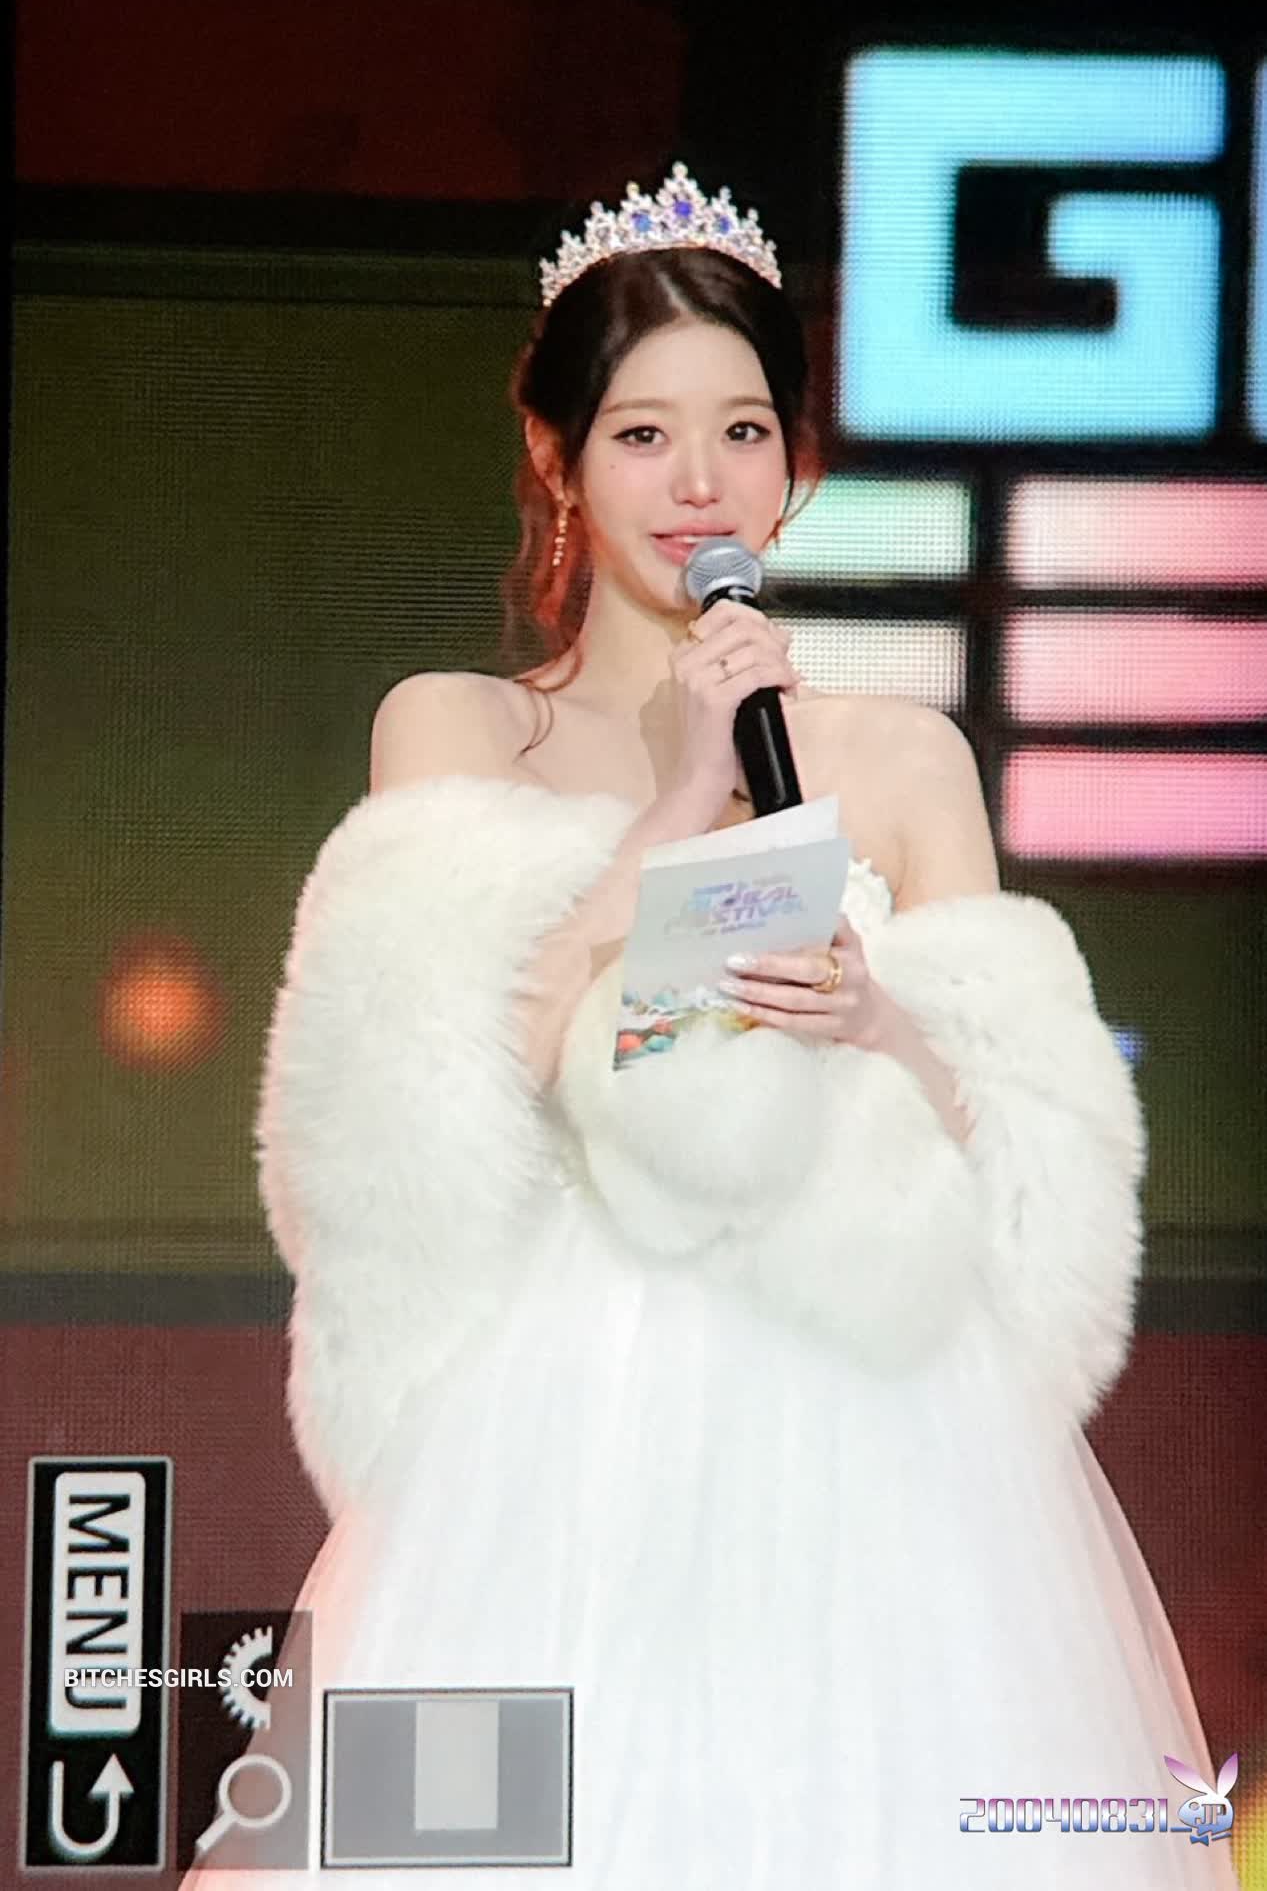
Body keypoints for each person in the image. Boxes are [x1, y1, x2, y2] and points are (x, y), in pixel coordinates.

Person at [183, 166, 1242, 1887]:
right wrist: (678, 807)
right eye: (643, 436)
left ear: (791, 460)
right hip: (555, 1431)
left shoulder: (903, 759)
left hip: (877, 1431)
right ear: (557, 457)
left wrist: (879, 1021)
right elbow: (428, 1091)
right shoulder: (458, 727)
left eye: (743, 432)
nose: (700, 484)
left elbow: (1030, 1141)